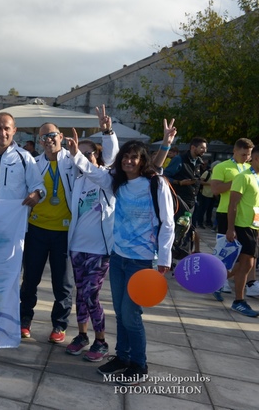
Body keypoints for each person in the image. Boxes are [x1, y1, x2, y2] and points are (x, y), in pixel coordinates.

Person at [71, 121, 176, 386]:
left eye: (134, 157)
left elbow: (168, 223)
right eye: (125, 156)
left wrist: (164, 258)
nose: (129, 160)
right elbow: (94, 173)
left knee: (131, 315)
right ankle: (122, 357)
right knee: (120, 311)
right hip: (118, 257)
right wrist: (76, 155)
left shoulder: (156, 184)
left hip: (142, 261)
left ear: (142, 161)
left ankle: (139, 365)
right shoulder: (117, 184)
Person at [18, 105, 117, 343]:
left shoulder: (74, 160)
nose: (49, 139)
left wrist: (107, 132)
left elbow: (109, 161)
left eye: (53, 135)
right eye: (44, 137)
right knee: (30, 280)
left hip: (64, 233)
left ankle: (59, 325)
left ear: (61, 137)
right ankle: (24, 320)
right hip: (37, 230)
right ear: (39, 141)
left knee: (62, 284)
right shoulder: (32, 163)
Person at [63, 138, 114, 362]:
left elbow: (113, 153)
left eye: (88, 153)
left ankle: (101, 342)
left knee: (91, 294)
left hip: (99, 249)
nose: (83, 157)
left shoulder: (107, 178)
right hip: (77, 246)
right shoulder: (78, 181)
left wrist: (108, 132)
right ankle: (82, 336)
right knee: (81, 294)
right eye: (79, 153)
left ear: (98, 155)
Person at [211, 138, 257, 300]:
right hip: (226, 212)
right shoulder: (222, 167)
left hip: (248, 217)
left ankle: (249, 283)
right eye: (243, 154)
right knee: (227, 250)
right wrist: (236, 183)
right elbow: (215, 189)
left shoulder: (250, 169)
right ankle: (218, 280)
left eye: (249, 155)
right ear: (234, 151)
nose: (246, 158)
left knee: (248, 256)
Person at [0, 112, 45, 203]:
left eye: (7, 128)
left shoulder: (25, 157)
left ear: (14, 130)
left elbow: (38, 186)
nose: (2, 133)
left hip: (13, 212)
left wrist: (37, 194)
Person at [226, 145, 259, 317]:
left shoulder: (257, 177)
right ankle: (239, 301)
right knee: (247, 264)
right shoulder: (243, 177)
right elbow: (233, 204)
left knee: (244, 264)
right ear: (256, 159)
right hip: (242, 225)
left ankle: (217, 279)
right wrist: (231, 228)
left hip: (254, 226)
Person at [193, 160, 219, 229]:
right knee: (203, 209)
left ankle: (208, 222)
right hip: (205, 194)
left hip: (213, 194)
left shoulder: (217, 174)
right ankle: (200, 222)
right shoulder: (207, 172)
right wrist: (210, 184)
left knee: (210, 210)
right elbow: (200, 181)